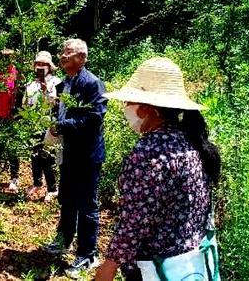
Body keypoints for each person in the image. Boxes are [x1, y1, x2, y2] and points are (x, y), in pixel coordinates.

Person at [94, 57, 221, 281]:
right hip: (190, 264)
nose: (126, 109)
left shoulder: (149, 153)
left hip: (156, 267)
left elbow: (134, 221)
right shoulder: (190, 142)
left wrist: (109, 266)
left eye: (129, 103)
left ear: (146, 109)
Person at [43, 39, 107, 278]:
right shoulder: (64, 83)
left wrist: (62, 125)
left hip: (88, 155)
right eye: (62, 52)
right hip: (68, 151)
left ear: (82, 57)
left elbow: (94, 119)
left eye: (68, 53)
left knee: (87, 205)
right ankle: (63, 240)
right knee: (67, 198)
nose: (62, 56)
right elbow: (61, 111)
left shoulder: (92, 84)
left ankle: (87, 254)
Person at [23, 51, 62, 201]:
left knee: (46, 156)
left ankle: (52, 188)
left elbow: (57, 103)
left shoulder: (57, 82)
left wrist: (46, 91)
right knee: (34, 154)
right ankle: (37, 183)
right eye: (38, 64)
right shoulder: (31, 84)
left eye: (44, 64)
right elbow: (26, 103)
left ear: (50, 66)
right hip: (33, 123)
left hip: (49, 123)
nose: (41, 67)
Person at [0, 48, 21, 192]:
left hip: (11, 116)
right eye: (3, 58)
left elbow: (19, 94)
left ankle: (14, 177)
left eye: (8, 58)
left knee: (12, 148)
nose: (6, 61)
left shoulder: (16, 73)